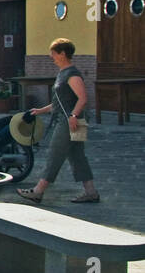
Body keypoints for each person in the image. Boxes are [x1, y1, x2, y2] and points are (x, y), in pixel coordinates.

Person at [17, 38, 99, 204]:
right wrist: (40, 111)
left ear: (63, 54)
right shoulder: (63, 73)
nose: (51, 56)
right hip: (70, 119)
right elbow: (59, 102)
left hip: (70, 121)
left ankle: (38, 191)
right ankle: (91, 192)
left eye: (53, 53)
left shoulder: (72, 74)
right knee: (77, 155)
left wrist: (74, 116)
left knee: (55, 153)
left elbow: (82, 99)